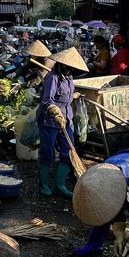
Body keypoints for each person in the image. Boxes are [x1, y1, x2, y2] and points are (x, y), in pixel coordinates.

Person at [71, 148, 129, 257]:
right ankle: (94, 245)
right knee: (103, 208)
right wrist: (119, 234)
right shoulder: (100, 173)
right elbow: (111, 208)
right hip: (125, 156)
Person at [36, 47, 88, 197]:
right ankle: (43, 185)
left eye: (71, 67)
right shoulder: (52, 78)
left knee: (68, 152)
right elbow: (47, 100)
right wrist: (54, 111)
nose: (69, 69)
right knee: (48, 153)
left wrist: (74, 95)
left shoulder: (69, 77)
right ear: (60, 64)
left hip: (66, 120)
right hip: (49, 121)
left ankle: (60, 185)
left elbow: (66, 96)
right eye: (67, 66)